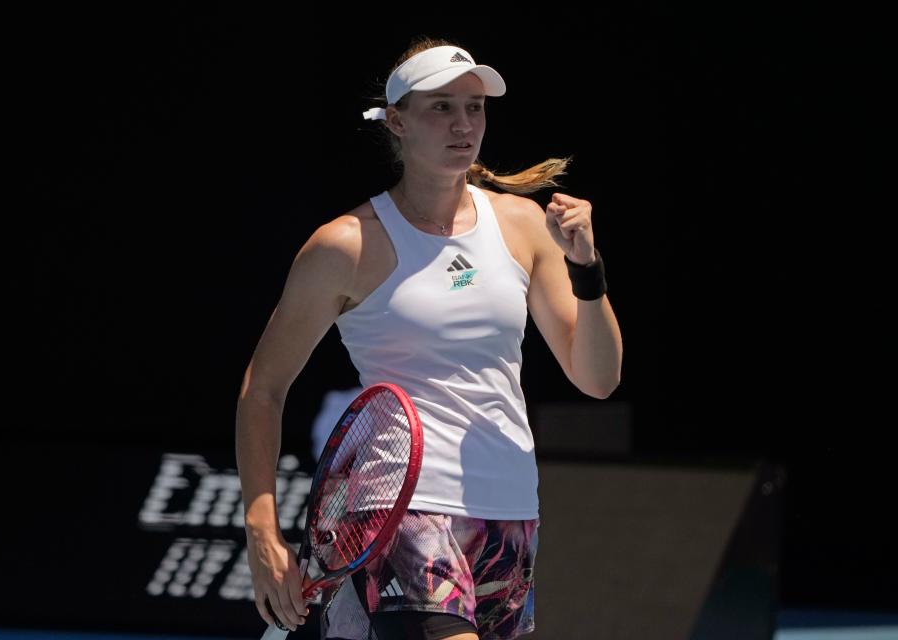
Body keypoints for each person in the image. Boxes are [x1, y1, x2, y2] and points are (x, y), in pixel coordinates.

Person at [235, 35, 623, 640]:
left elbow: (597, 379)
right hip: (400, 504)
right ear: (397, 123)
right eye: (441, 107)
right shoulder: (344, 245)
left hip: (511, 511)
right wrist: (262, 530)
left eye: (475, 107)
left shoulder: (523, 227)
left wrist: (588, 271)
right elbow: (263, 390)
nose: (463, 123)